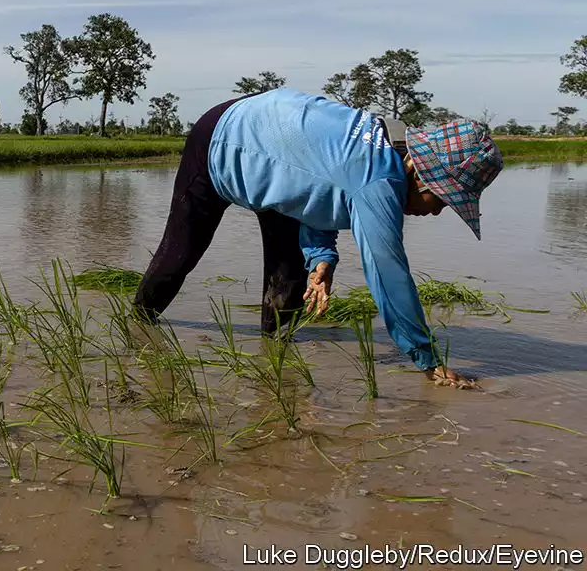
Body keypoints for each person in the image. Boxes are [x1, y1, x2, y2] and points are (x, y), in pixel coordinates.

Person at [133, 88, 503, 389]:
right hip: (225, 138)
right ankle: (137, 323)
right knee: (180, 255)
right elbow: (389, 275)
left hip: (276, 153)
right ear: (423, 175)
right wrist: (428, 362)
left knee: (289, 283)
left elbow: (318, 188)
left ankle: (276, 373)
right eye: (441, 200)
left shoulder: (383, 152)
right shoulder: (380, 181)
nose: (436, 211)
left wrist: (322, 260)